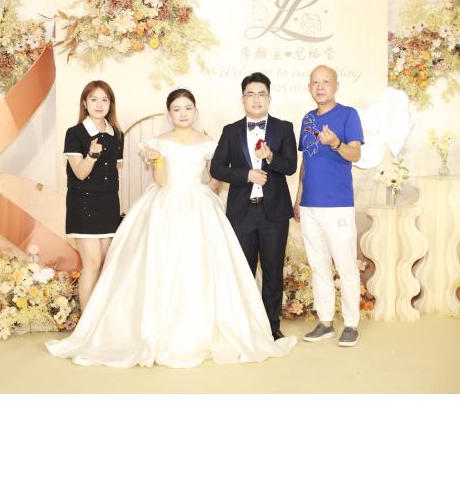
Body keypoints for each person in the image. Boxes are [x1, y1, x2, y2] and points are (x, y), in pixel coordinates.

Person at [45, 88, 296, 368]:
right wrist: (158, 161)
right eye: (177, 109)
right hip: (165, 204)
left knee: (200, 265)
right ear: (169, 113)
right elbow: (162, 181)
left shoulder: (208, 141)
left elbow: (217, 174)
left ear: (195, 110)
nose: (183, 114)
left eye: (187, 108)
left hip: (200, 204)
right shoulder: (158, 142)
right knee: (161, 264)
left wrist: (206, 190)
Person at [210, 72, 297, 340]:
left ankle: (272, 327)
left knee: (272, 272)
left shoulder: (284, 128)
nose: (256, 99)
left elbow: (290, 167)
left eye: (261, 94)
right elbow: (217, 168)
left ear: (269, 98)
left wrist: (270, 157)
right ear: (243, 99)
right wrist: (246, 175)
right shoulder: (231, 130)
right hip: (242, 213)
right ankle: (245, 326)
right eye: (250, 94)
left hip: (274, 214)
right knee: (243, 272)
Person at [293, 65, 364, 347]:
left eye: (326, 82)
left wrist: (335, 143)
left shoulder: (348, 115)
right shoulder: (307, 118)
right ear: (309, 87)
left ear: (336, 86)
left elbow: (355, 154)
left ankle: (351, 324)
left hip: (337, 205)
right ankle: (325, 322)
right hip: (310, 206)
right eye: (315, 82)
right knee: (318, 266)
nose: (320, 87)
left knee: (345, 267)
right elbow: (306, 162)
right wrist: (298, 198)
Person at [63, 80, 123, 310]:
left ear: (111, 104)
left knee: (106, 264)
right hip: (83, 206)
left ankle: (99, 319)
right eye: (94, 99)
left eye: (104, 100)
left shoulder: (117, 134)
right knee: (93, 263)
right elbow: (80, 173)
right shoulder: (75, 133)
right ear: (84, 103)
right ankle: (86, 322)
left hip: (109, 206)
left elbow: (112, 173)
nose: (99, 104)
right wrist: (92, 155)